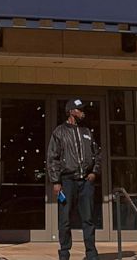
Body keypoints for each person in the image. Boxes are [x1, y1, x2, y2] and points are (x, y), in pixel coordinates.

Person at [47, 98, 101, 260]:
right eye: (79, 109)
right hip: (67, 182)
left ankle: (91, 253)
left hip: (86, 182)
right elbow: (52, 158)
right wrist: (56, 181)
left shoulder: (87, 132)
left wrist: (94, 173)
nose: (83, 112)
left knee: (88, 219)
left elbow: (97, 154)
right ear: (71, 112)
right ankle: (64, 253)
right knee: (65, 220)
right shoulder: (59, 132)